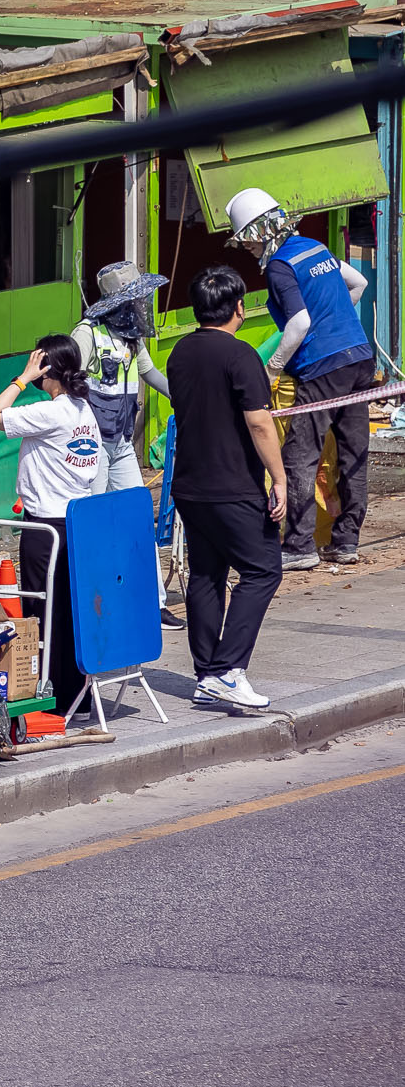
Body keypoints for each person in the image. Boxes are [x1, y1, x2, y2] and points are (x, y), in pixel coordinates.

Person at [231, 186, 374, 570]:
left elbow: (299, 322)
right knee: (353, 453)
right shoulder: (315, 246)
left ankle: (298, 547)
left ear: (261, 233)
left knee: (299, 456)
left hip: (321, 367)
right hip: (359, 357)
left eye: (248, 242)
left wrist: (273, 367)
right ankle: (346, 543)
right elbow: (357, 283)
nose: (248, 250)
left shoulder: (280, 266)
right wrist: (337, 323)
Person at [165, 265, 287, 709]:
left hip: (191, 485)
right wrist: (281, 478)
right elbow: (259, 422)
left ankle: (206, 675)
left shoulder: (179, 353)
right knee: (263, 570)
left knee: (206, 574)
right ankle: (228, 669)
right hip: (233, 485)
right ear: (238, 307)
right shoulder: (241, 356)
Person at [0, 336, 105, 712]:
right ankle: (77, 695)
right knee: (70, 611)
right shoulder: (83, 409)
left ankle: (52, 697)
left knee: (43, 612)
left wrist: (21, 379)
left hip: (46, 527)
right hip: (77, 521)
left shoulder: (50, 412)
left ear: (47, 371)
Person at [73, 261, 182, 628]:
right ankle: (94, 602)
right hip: (93, 447)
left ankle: (153, 601)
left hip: (121, 444)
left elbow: (149, 373)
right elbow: (66, 376)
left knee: (137, 519)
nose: (141, 306)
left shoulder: (132, 337)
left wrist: (184, 397)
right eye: (135, 299)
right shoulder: (89, 333)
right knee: (96, 521)